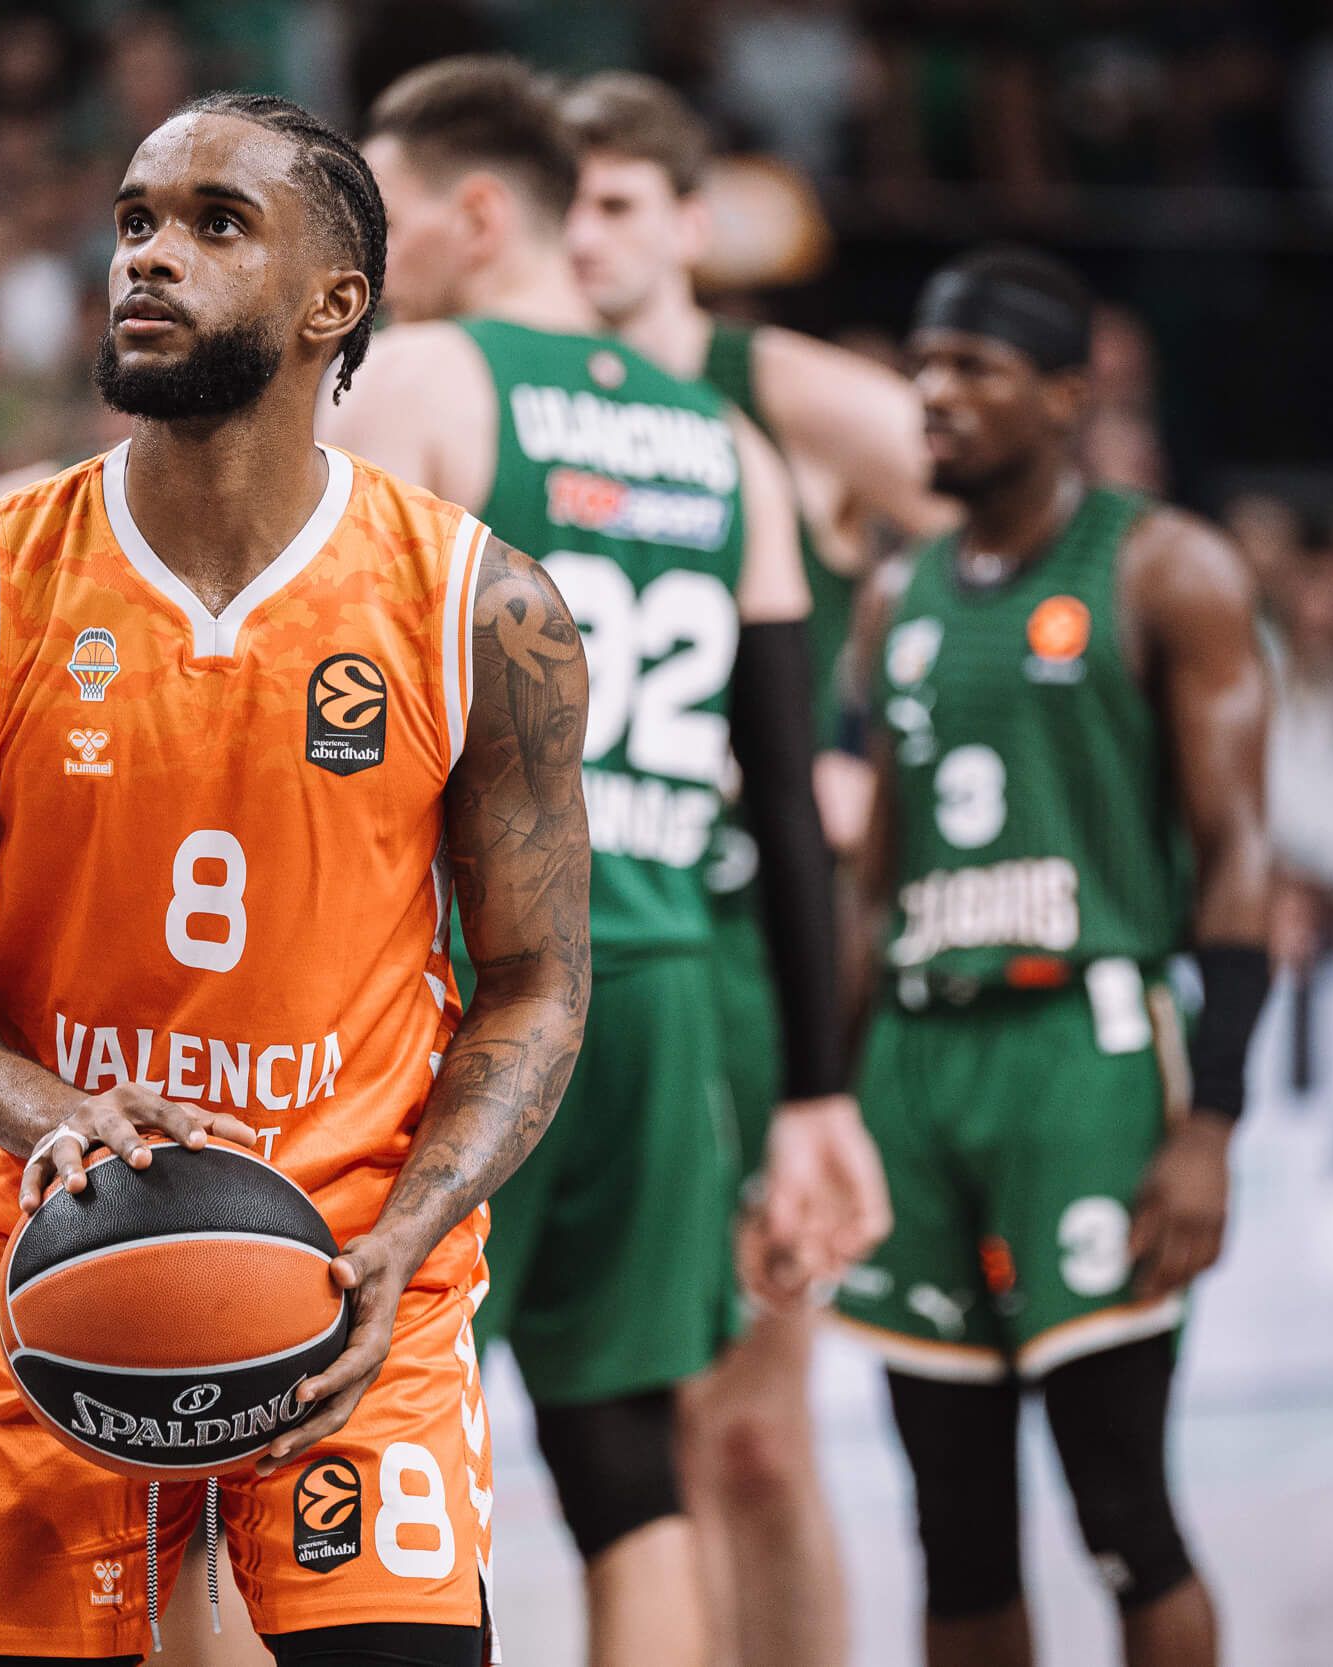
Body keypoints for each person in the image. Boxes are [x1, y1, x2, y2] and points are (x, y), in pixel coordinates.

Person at [0, 90, 593, 1667]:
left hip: (358, 1290)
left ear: (334, 304)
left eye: (214, 223)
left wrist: (410, 1230)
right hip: (62, 1279)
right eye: (135, 221)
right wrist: (50, 1117)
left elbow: (538, 984)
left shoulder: (480, 612)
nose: (149, 258)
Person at [320, 56, 889, 1667]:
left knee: (356, 1446)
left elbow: (327, 705)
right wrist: (816, 1089)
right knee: (631, 1464)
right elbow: (780, 797)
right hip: (657, 991)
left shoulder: (426, 382)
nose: (368, 255)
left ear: (479, 213)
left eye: (388, 211)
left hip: (455, 1000)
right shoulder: (729, 445)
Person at [554, 69, 948, 1667]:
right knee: (642, 1433)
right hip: (582, 940)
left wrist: (896, 751)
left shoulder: (791, 395)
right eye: (567, 200)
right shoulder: (504, 386)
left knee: (755, 1434)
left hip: (749, 943)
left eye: (622, 203)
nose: (589, 235)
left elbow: (1037, 531)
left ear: (691, 225)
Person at [845, 247, 1271, 1667]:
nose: (934, 394)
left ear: (1068, 395)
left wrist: (1210, 1119)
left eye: (974, 368)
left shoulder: (1169, 567)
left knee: (1121, 1510)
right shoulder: (892, 600)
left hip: (1085, 1058)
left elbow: (1240, 863)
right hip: (916, 1058)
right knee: (951, 1529)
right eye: (923, 365)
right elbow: (870, 888)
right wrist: (818, 1100)